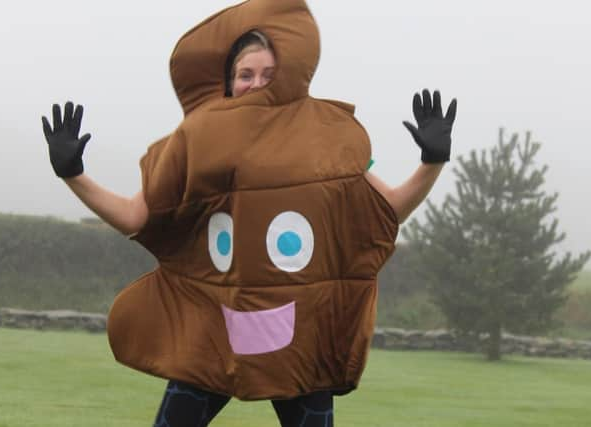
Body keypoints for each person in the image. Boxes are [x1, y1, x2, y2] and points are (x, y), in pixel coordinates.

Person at [42, 13, 456, 427]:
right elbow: (137, 216)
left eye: (268, 74)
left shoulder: (326, 140)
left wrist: (431, 162)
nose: (256, 84)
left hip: (300, 339)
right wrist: (73, 174)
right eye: (245, 74)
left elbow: (387, 209)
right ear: (228, 82)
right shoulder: (199, 143)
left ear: (289, 76)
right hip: (215, 329)